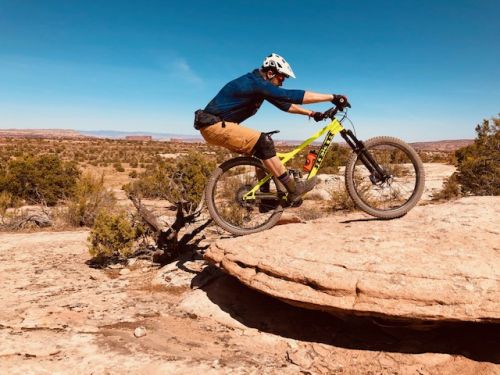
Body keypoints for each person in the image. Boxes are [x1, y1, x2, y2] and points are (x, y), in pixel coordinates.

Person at [194, 53, 349, 204]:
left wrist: (312, 113)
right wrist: (332, 97)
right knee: (264, 142)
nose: (282, 82)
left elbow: (285, 105)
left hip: (216, 126)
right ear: (270, 73)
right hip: (215, 125)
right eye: (281, 77)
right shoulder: (256, 83)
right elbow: (290, 96)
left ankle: (266, 198)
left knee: (262, 153)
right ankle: (294, 189)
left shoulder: (259, 85)